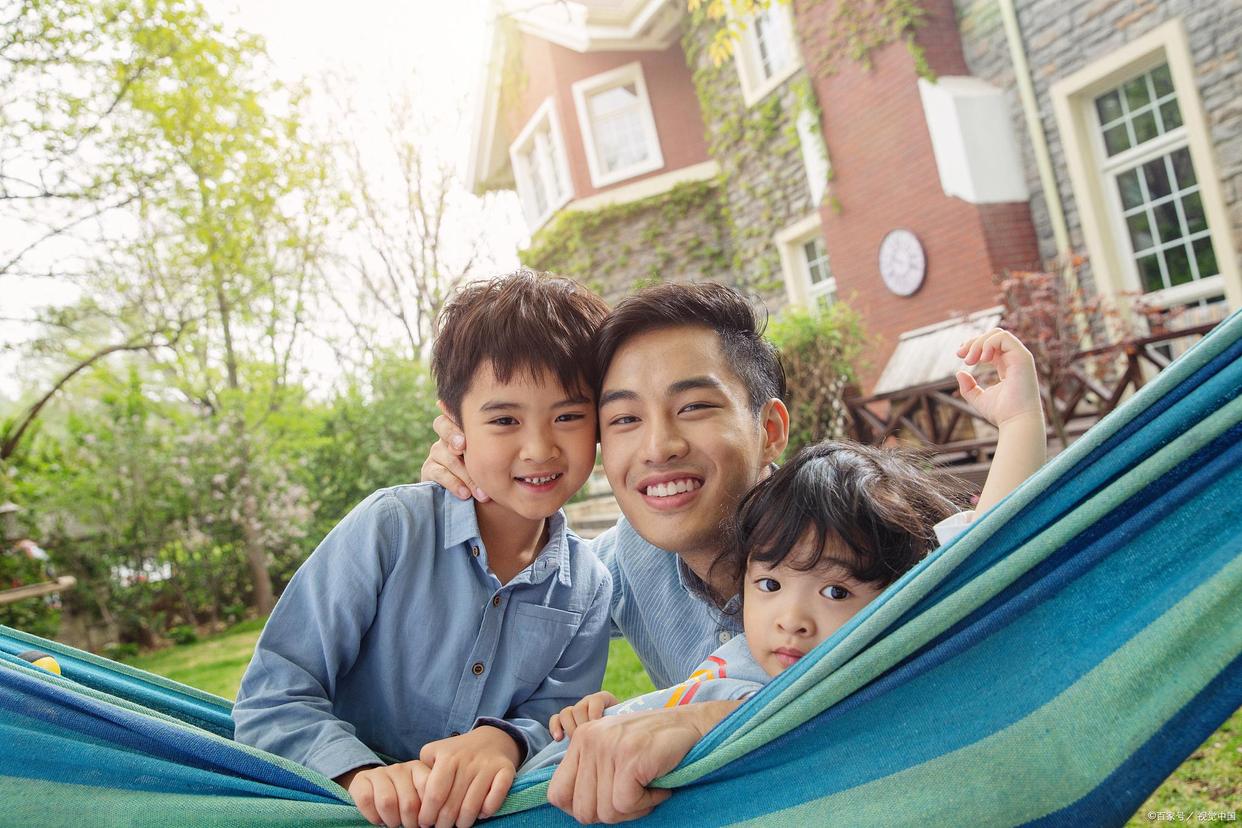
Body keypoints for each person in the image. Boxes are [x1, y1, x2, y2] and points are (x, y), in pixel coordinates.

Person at [423, 284, 1048, 822]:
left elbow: (985, 570)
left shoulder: (846, 526)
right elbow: (524, 587)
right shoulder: (623, 563)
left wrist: (708, 722)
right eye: (623, 420)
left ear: (770, 428)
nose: (659, 446)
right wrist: (479, 486)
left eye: (693, 407)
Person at [233, 271, 615, 828]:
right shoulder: (391, 527)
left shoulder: (590, 584)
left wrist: (504, 742)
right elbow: (275, 691)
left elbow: (559, 719)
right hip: (338, 807)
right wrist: (360, 775)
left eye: (569, 416)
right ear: (453, 423)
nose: (539, 448)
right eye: (504, 419)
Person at [522, 440, 976, 774]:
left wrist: (1017, 422)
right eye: (770, 583)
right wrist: (598, 716)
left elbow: (985, 566)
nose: (791, 620)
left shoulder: (861, 687)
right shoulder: (743, 654)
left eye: (836, 593)